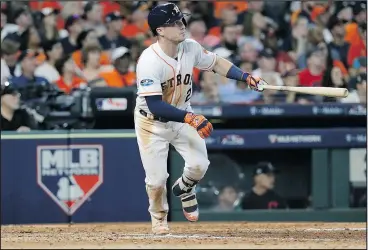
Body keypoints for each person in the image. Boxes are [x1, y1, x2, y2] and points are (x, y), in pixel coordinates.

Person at [134, 3, 265, 234]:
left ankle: (185, 188)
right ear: (160, 31)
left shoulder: (190, 47)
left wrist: (245, 76)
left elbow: (215, 63)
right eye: (174, 23)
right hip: (152, 122)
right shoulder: (148, 61)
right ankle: (159, 219)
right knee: (156, 181)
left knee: (199, 165)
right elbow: (155, 104)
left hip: (183, 115)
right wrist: (191, 118)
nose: (181, 25)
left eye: (180, 20)